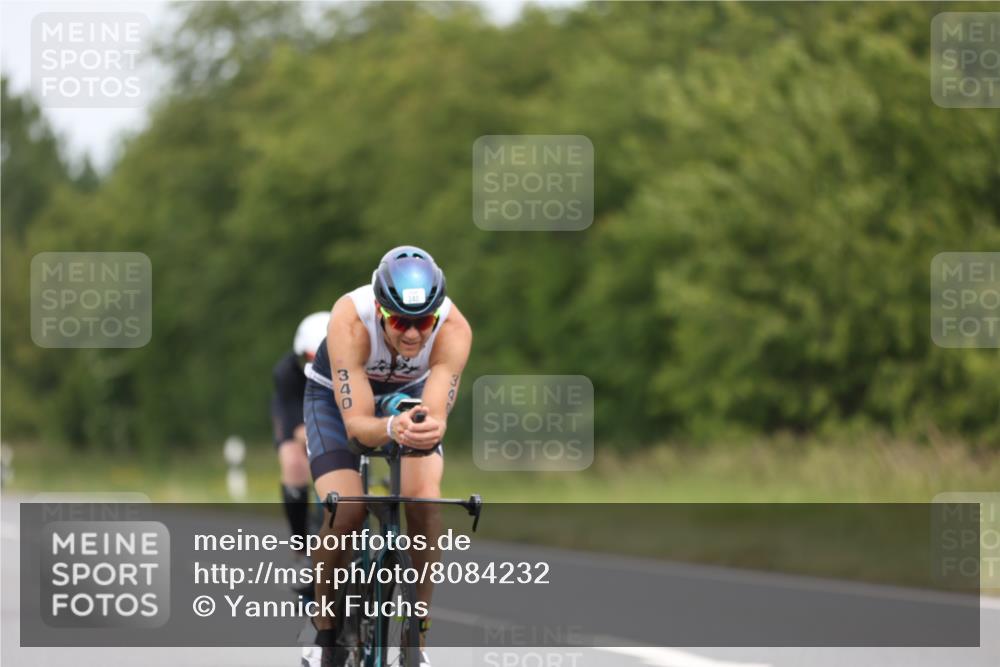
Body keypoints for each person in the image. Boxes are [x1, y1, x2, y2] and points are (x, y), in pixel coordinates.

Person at [303, 246, 472, 667]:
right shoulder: (350, 321)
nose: (413, 335)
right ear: (379, 311)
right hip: (334, 397)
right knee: (347, 510)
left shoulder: (454, 330)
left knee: (425, 505)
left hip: (408, 395)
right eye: (399, 321)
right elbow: (358, 424)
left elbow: (434, 414)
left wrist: (427, 427)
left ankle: (417, 638)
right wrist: (392, 428)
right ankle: (324, 629)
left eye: (423, 322)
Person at [272, 311, 330, 566]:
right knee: (294, 462)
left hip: (334, 409)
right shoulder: (286, 373)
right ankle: (301, 544)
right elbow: (297, 426)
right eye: (309, 357)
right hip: (299, 414)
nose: (315, 364)